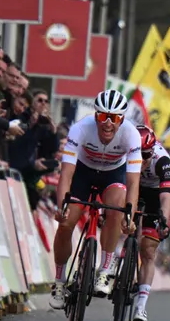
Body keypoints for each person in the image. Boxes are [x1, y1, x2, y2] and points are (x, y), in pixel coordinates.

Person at [49, 90, 142, 309]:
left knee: (117, 209)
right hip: (83, 172)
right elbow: (66, 175)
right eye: (103, 117)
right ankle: (60, 282)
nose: (108, 124)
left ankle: (105, 270)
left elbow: (133, 182)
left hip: (113, 174)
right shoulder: (80, 129)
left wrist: (130, 214)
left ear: (122, 119)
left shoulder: (131, 135)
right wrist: (62, 205)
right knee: (65, 224)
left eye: (115, 118)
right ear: (96, 115)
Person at [132, 125, 170, 321]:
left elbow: (166, 197)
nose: (142, 159)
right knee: (118, 220)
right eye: (138, 154)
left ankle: (141, 305)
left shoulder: (162, 161)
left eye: (146, 155)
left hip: (154, 194)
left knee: (148, 250)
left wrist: (164, 220)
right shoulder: (125, 152)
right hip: (132, 185)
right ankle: (112, 264)